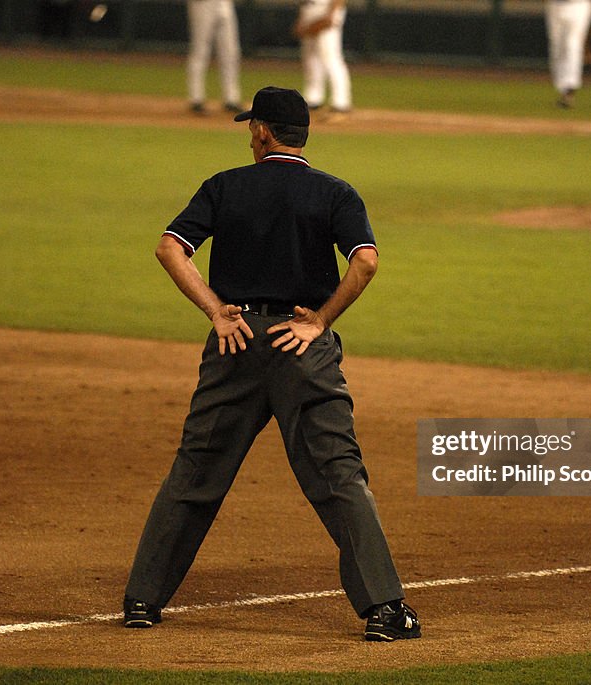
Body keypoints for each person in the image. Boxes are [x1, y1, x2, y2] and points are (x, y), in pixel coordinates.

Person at [123, 86, 420, 642]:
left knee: (195, 471)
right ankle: (383, 610)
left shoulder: (224, 186)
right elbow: (367, 261)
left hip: (234, 347)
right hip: (301, 350)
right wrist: (321, 320)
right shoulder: (336, 193)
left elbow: (170, 248)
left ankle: (142, 599)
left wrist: (216, 310)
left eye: (250, 127)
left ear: (261, 132)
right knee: (338, 476)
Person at [293, 0, 352, 119]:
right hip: (308, 9)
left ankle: (341, 102)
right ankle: (313, 99)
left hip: (326, 8)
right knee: (310, 57)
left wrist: (332, 12)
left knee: (331, 58)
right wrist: (301, 16)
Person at [545, 0, 591, 108]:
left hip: (579, 5)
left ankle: (570, 89)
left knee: (573, 45)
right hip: (554, 5)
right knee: (557, 49)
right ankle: (564, 89)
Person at [186, 0, 243, 115]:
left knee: (231, 52)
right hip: (202, 4)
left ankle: (231, 98)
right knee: (200, 50)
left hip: (224, 3)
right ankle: (196, 98)